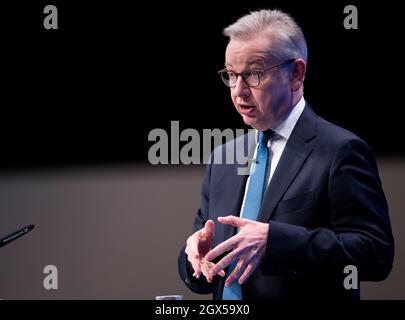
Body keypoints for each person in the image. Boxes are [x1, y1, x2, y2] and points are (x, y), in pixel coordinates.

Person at [178, 9, 394, 300]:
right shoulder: (224, 158)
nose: (238, 91)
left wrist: (275, 241)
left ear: (296, 74)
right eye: (231, 75)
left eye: (253, 74)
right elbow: (204, 273)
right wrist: (195, 259)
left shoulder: (340, 151)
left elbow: (375, 254)